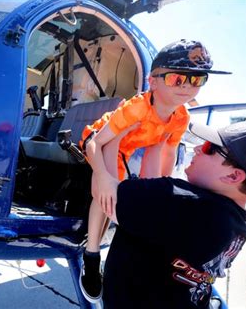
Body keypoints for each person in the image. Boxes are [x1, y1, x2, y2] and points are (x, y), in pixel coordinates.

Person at [79, 39, 231, 302]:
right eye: (176, 78)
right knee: (105, 195)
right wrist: (103, 178)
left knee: (149, 196)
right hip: (104, 139)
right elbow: (97, 142)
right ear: (154, 81)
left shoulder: (181, 117)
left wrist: (162, 194)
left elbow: (165, 151)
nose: (186, 86)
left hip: (139, 144)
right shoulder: (137, 108)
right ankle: (91, 255)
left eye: (197, 80)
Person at [99, 120, 246, 308]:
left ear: (233, 176)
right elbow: (156, 206)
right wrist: (156, 148)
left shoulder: (180, 200)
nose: (197, 148)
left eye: (209, 147)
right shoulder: (237, 226)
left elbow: (106, 195)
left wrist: (106, 143)